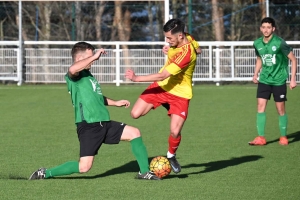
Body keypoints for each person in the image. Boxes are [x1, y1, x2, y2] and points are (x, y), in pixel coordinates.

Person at [29, 42, 161, 180]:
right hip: (89, 125)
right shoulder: (75, 76)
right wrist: (95, 56)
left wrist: (115, 103)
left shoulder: (88, 75)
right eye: (90, 56)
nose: (93, 60)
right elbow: (72, 69)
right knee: (84, 167)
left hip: (104, 122)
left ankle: (144, 172)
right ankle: (45, 173)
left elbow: (96, 97)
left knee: (134, 133)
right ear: (80, 58)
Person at [125, 19, 200, 174]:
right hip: (163, 87)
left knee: (174, 132)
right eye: (166, 38)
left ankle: (171, 155)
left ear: (180, 36)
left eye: (170, 39)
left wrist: (136, 78)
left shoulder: (186, 53)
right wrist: (170, 49)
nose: (167, 41)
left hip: (180, 94)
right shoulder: (188, 37)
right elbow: (199, 50)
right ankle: (167, 107)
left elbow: (162, 75)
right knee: (135, 114)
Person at [249, 17, 297, 146]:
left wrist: (292, 79)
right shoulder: (257, 43)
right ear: (260, 28)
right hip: (264, 79)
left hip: (279, 81)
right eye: (263, 27)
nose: (266, 30)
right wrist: (255, 74)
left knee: (280, 109)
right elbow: (260, 59)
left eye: (268, 27)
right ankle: (261, 138)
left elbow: (294, 60)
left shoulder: (280, 43)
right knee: (260, 107)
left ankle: (283, 136)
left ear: (273, 29)